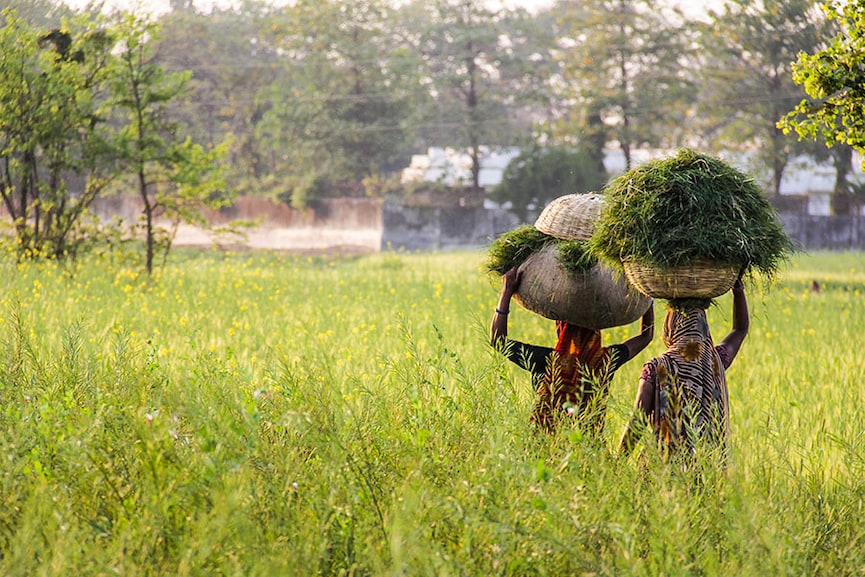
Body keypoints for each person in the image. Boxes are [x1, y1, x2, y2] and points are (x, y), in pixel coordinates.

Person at [490, 267, 655, 433]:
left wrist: (506, 292)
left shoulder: (547, 360)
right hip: (590, 452)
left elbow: (498, 341)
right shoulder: (604, 361)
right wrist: (647, 297)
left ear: (561, 328)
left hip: (547, 449)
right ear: (596, 329)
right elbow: (646, 336)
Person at [619, 276, 749, 461]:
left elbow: (638, 420)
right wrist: (738, 290)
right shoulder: (714, 361)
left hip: (662, 469)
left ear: (671, 327)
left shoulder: (657, 367)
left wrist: (619, 459)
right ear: (703, 327)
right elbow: (740, 330)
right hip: (705, 470)